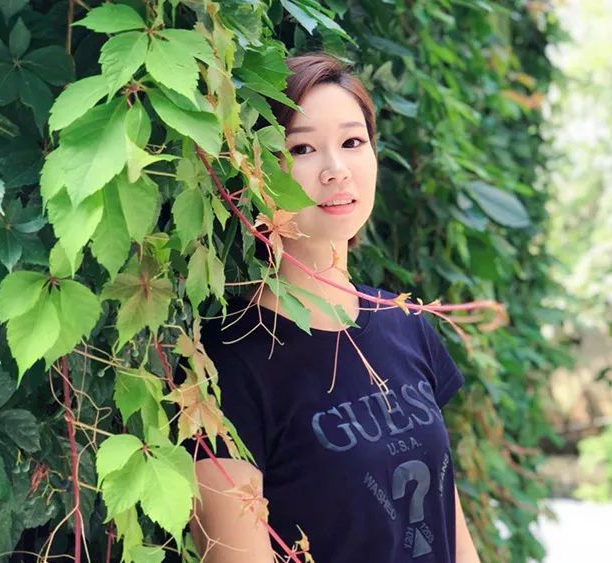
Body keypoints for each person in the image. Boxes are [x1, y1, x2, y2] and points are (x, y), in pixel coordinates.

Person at [181, 52, 480, 563]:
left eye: (352, 142)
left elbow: (449, 527)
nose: (336, 170)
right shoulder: (225, 363)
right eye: (301, 148)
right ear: (254, 173)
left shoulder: (406, 324)